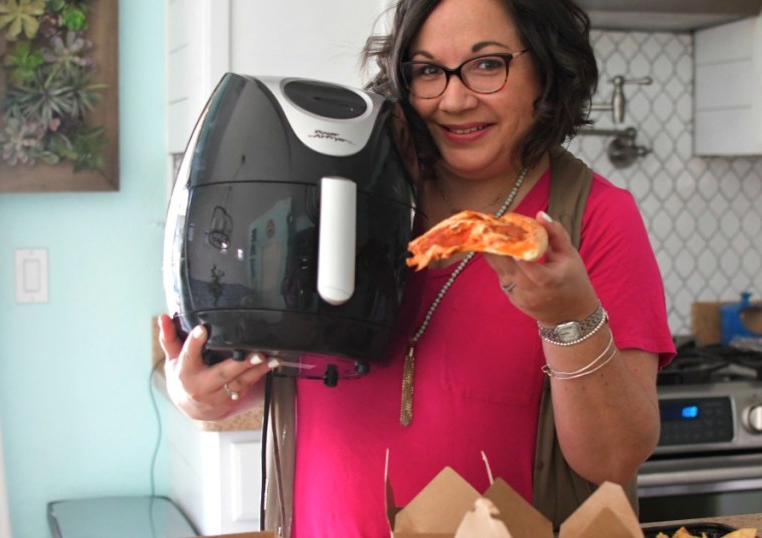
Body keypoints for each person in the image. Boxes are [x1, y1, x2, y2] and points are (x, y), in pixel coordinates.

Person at [157, 0, 675, 535]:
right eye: (428, 71)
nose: (453, 99)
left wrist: (569, 318)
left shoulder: (594, 217)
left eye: (487, 64)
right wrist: (197, 392)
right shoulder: (350, 188)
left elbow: (613, 461)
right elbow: (266, 371)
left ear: (546, 69)